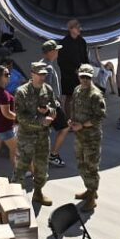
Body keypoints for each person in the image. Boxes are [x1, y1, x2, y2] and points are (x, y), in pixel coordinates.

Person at [13, 61, 57, 205]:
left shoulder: (48, 90)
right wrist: (40, 121)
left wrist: (49, 112)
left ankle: (38, 193)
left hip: (43, 137)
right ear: (32, 74)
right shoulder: (22, 92)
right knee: (21, 168)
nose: (42, 77)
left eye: (44, 74)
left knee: (42, 168)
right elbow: (20, 117)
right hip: (27, 137)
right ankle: (13, 200)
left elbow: (55, 108)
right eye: (39, 74)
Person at [69, 64, 106, 212]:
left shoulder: (95, 95)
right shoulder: (77, 90)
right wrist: (71, 120)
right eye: (82, 76)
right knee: (81, 164)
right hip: (79, 135)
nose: (84, 79)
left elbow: (100, 117)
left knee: (91, 166)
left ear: (92, 77)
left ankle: (92, 197)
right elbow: (74, 107)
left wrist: (82, 125)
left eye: (87, 77)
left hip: (91, 137)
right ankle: (89, 190)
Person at [54, 19, 88, 167]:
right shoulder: (64, 43)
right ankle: (70, 120)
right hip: (69, 75)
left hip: (80, 74)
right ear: (71, 29)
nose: (79, 29)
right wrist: (72, 71)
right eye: (77, 27)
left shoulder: (82, 41)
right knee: (69, 98)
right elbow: (61, 61)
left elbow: (85, 57)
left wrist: (85, 69)